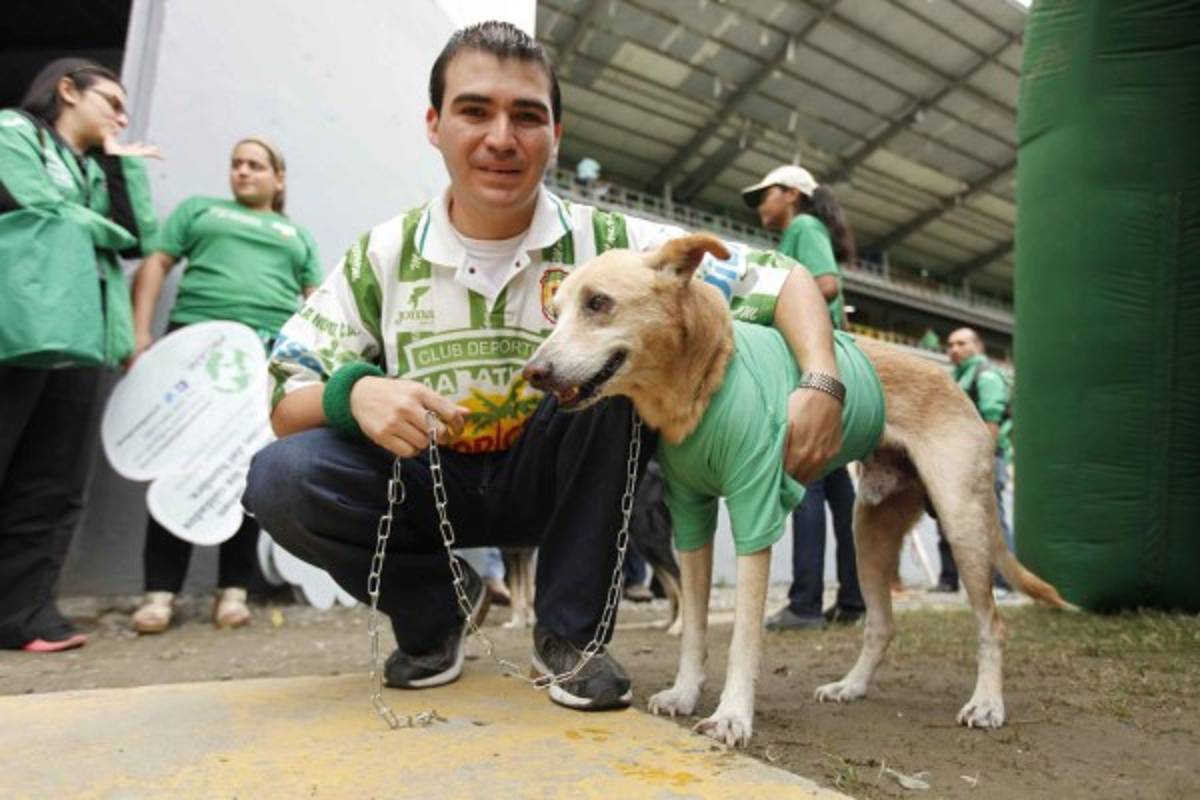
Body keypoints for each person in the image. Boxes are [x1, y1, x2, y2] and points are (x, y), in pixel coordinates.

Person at [242, 21, 846, 712]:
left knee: (618, 381)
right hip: (428, 478)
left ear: (555, 135)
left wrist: (820, 380)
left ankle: (571, 637)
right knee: (282, 476)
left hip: (553, 471)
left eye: (527, 116)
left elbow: (785, 275)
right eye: (475, 111)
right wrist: (356, 392)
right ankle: (437, 613)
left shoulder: (614, 241)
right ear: (434, 124)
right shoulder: (381, 253)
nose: (502, 138)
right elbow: (287, 388)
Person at [128, 137, 322, 633]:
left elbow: (317, 303)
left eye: (255, 165)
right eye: (236, 163)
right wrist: (140, 334)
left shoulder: (295, 235)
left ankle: (232, 593)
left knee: (247, 467)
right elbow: (155, 264)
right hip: (195, 351)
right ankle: (159, 595)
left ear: (279, 178)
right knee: (179, 467)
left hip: (264, 356)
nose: (242, 172)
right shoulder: (199, 211)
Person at [0, 59, 158, 652]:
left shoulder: (96, 169)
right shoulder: (14, 133)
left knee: (54, 483)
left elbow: (138, 236)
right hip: (16, 328)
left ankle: (24, 615)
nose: (121, 115)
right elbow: (36, 206)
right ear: (67, 90)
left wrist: (123, 165)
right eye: (111, 102)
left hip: (83, 337)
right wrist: (103, 230)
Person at [742, 165, 867, 631]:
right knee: (838, 492)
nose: (759, 203)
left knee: (806, 484)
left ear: (791, 194)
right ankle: (853, 601)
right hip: (830, 364)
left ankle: (805, 604)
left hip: (807, 368)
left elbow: (826, 284)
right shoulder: (799, 232)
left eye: (765, 192)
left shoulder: (804, 227)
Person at [931, 326, 1014, 593]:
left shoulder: (986, 374)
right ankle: (949, 580)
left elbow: (992, 418)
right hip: (953, 458)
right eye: (950, 344)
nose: (954, 349)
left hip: (984, 456)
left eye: (961, 343)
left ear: (978, 347)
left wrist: (983, 460)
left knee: (990, 517)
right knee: (947, 516)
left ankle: (1005, 581)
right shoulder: (955, 378)